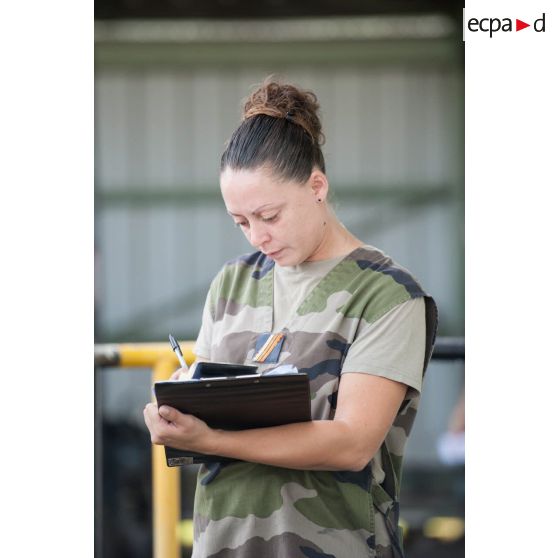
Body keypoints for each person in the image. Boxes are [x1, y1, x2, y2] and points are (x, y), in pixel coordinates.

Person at [144, 76, 438, 558]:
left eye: (269, 215)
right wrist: (173, 419)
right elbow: (201, 410)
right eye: (241, 222)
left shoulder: (387, 294)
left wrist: (214, 438)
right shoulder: (232, 283)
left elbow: (350, 444)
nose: (256, 236)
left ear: (317, 186)